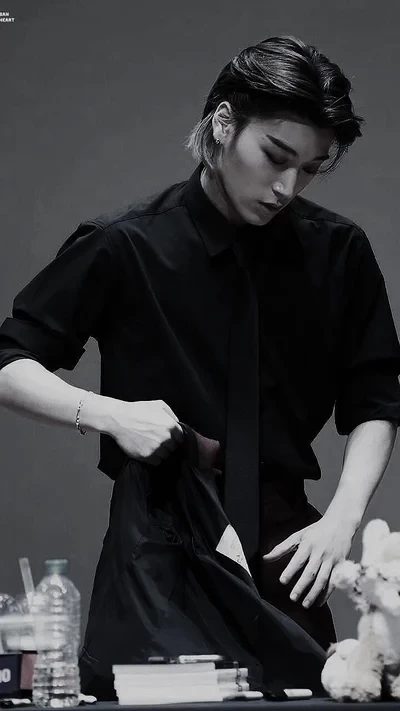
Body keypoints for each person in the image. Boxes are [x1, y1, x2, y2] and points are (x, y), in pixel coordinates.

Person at [0, 34, 400, 659]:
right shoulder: (124, 244)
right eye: (275, 156)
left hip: (289, 551)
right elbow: (8, 360)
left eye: (309, 168)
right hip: (159, 550)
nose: (287, 187)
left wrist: (342, 520)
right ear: (222, 124)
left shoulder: (339, 252)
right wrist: (108, 414)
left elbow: (376, 397)